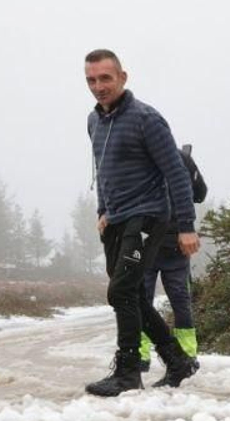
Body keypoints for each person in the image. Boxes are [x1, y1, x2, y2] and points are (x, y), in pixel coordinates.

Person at [82, 48, 201, 396]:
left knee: (120, 291)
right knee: (131, 293)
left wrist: (186, 226)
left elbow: (176, 174)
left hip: (148, 216)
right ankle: (177, 360)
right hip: (116, 220)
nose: (98, 86)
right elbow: (103, 169)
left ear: (122, 77)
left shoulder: (146, 119)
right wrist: (102, 210)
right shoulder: (93, 122)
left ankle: (128, 370)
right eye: (91, 79)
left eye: (105, 78)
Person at [137, 238, 199, 377]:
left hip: (173, 248)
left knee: (180, 303)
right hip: (147, 246)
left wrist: (187, 231)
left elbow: (186, 215)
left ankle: (187, 354)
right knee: (142, 302)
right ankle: (140, 355)